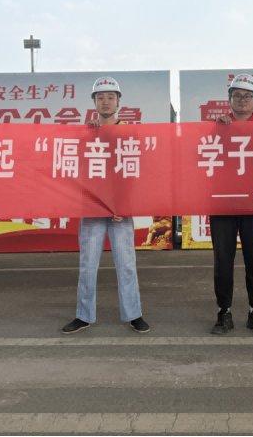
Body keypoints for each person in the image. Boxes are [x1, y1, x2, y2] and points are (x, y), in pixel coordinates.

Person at [61, 77, 150, 335]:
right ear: (94, 102)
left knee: (126, 264)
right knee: (88, 264)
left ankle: (134, 314)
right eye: (100, 97)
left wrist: (125, 205)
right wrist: (86, 136)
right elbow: (76, 170)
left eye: (111, 97)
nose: (106, 101)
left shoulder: (129, 133)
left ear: (118, 102)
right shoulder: (85, 133)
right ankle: (83, 315)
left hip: (120, 210)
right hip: (92, 208)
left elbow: (135, 173)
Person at [211, 74, 253, 335]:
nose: (242, 100)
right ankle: (224, 312)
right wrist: (216, 130)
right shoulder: (218, 127)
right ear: (229, 99)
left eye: (247, 96)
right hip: (222, 204)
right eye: (237, 95)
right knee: (222, 261)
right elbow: (200, 159)